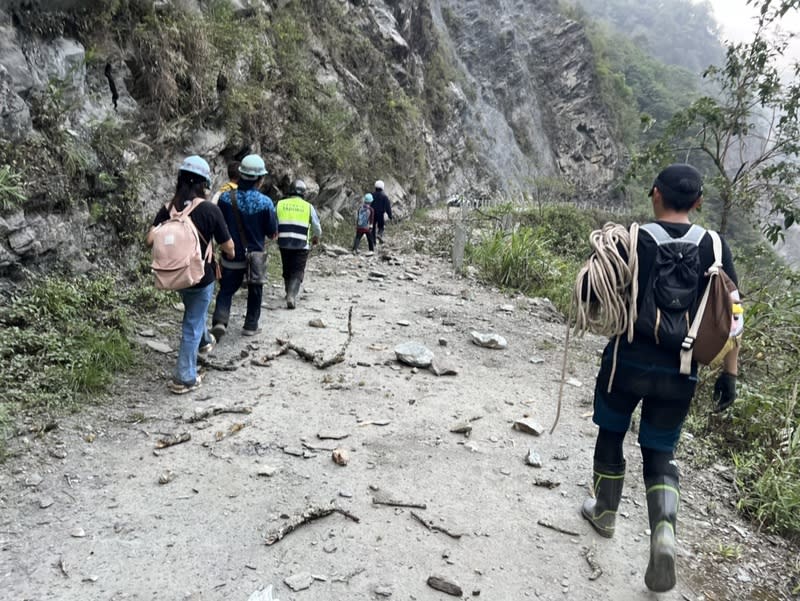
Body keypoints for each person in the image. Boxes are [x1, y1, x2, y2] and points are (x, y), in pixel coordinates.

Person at [580, 164, 740, 592]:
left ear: (655, 194)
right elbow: (732, 316)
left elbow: (590, 294)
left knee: (611, 432)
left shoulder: (630, 240)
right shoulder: (716, 248)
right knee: (660, 452)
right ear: (699, 202)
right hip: (681, 372)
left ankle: (605, 512)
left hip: (626, 362)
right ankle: (664, 533)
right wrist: (730, 374)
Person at [146, 155, 234, 394]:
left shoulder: (168, 209)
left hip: (175, 274)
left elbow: (149, 239)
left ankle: (205, 342)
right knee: (192, 322)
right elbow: (229, 247)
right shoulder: (209, 210)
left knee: (195, 312)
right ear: (204, 183)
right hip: (200, 276)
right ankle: (184, 377)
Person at [211, 154, 277, 338]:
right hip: (254, 257)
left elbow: (219, 225)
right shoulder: (266, 203)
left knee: (226, 289)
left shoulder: (225, 198)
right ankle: (250, 325)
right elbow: (272, 232)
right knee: (255, 290)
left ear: (240, 174)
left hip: (230, 254)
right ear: (260, 179)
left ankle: (220, 321)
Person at [276, 179, 322, 309]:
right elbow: (317, 226)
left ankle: (288, 291)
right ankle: (291, 295)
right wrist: (315, 238)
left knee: (287, 267)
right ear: (303, 193)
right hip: (301, 244)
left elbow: (272, 221)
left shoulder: (280, 204)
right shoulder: (308, 207)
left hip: (283, 242)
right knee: (297, 270)